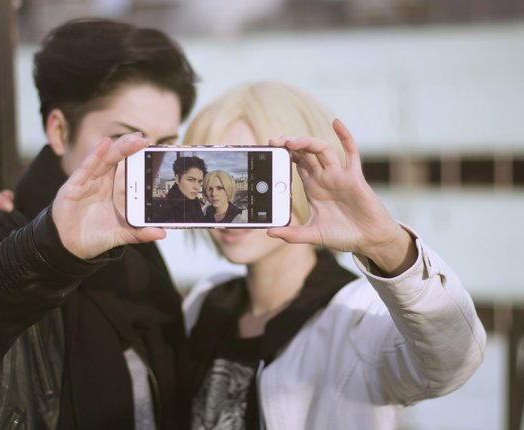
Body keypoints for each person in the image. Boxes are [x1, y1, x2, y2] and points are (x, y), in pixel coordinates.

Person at [0, 18, 197, 429]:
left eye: (163, 147)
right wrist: (51, 249)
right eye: (126, 140)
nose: (149, 166)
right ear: (59, 130)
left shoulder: (134, 241)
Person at [181, 81, 486, 430]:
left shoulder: (358, 315)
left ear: (301, 173)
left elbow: (453, 361)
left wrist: (386, 244)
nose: (220, 195)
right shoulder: (205, 303)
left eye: (253, 171)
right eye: (210, 173)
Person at [152, 155, 207, 222]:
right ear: (177, 179)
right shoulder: (160, 206)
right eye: (191, 180)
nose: (197, 187)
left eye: (200, 181)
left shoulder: (196, 203)